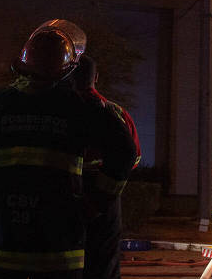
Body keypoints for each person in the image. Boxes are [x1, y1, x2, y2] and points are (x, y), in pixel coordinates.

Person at [0, 23, 138, 278]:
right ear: (68, 71)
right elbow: (126, 152)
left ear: (21, 65)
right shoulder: (81, 109)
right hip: (57, 250)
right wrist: (94, 204)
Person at [70, 54, 141, 279]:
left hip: (67, 192)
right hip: (106, 198)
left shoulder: (63, 110)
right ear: (96, 77)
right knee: (104, 263)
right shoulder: (115, 112)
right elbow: (134, 156)